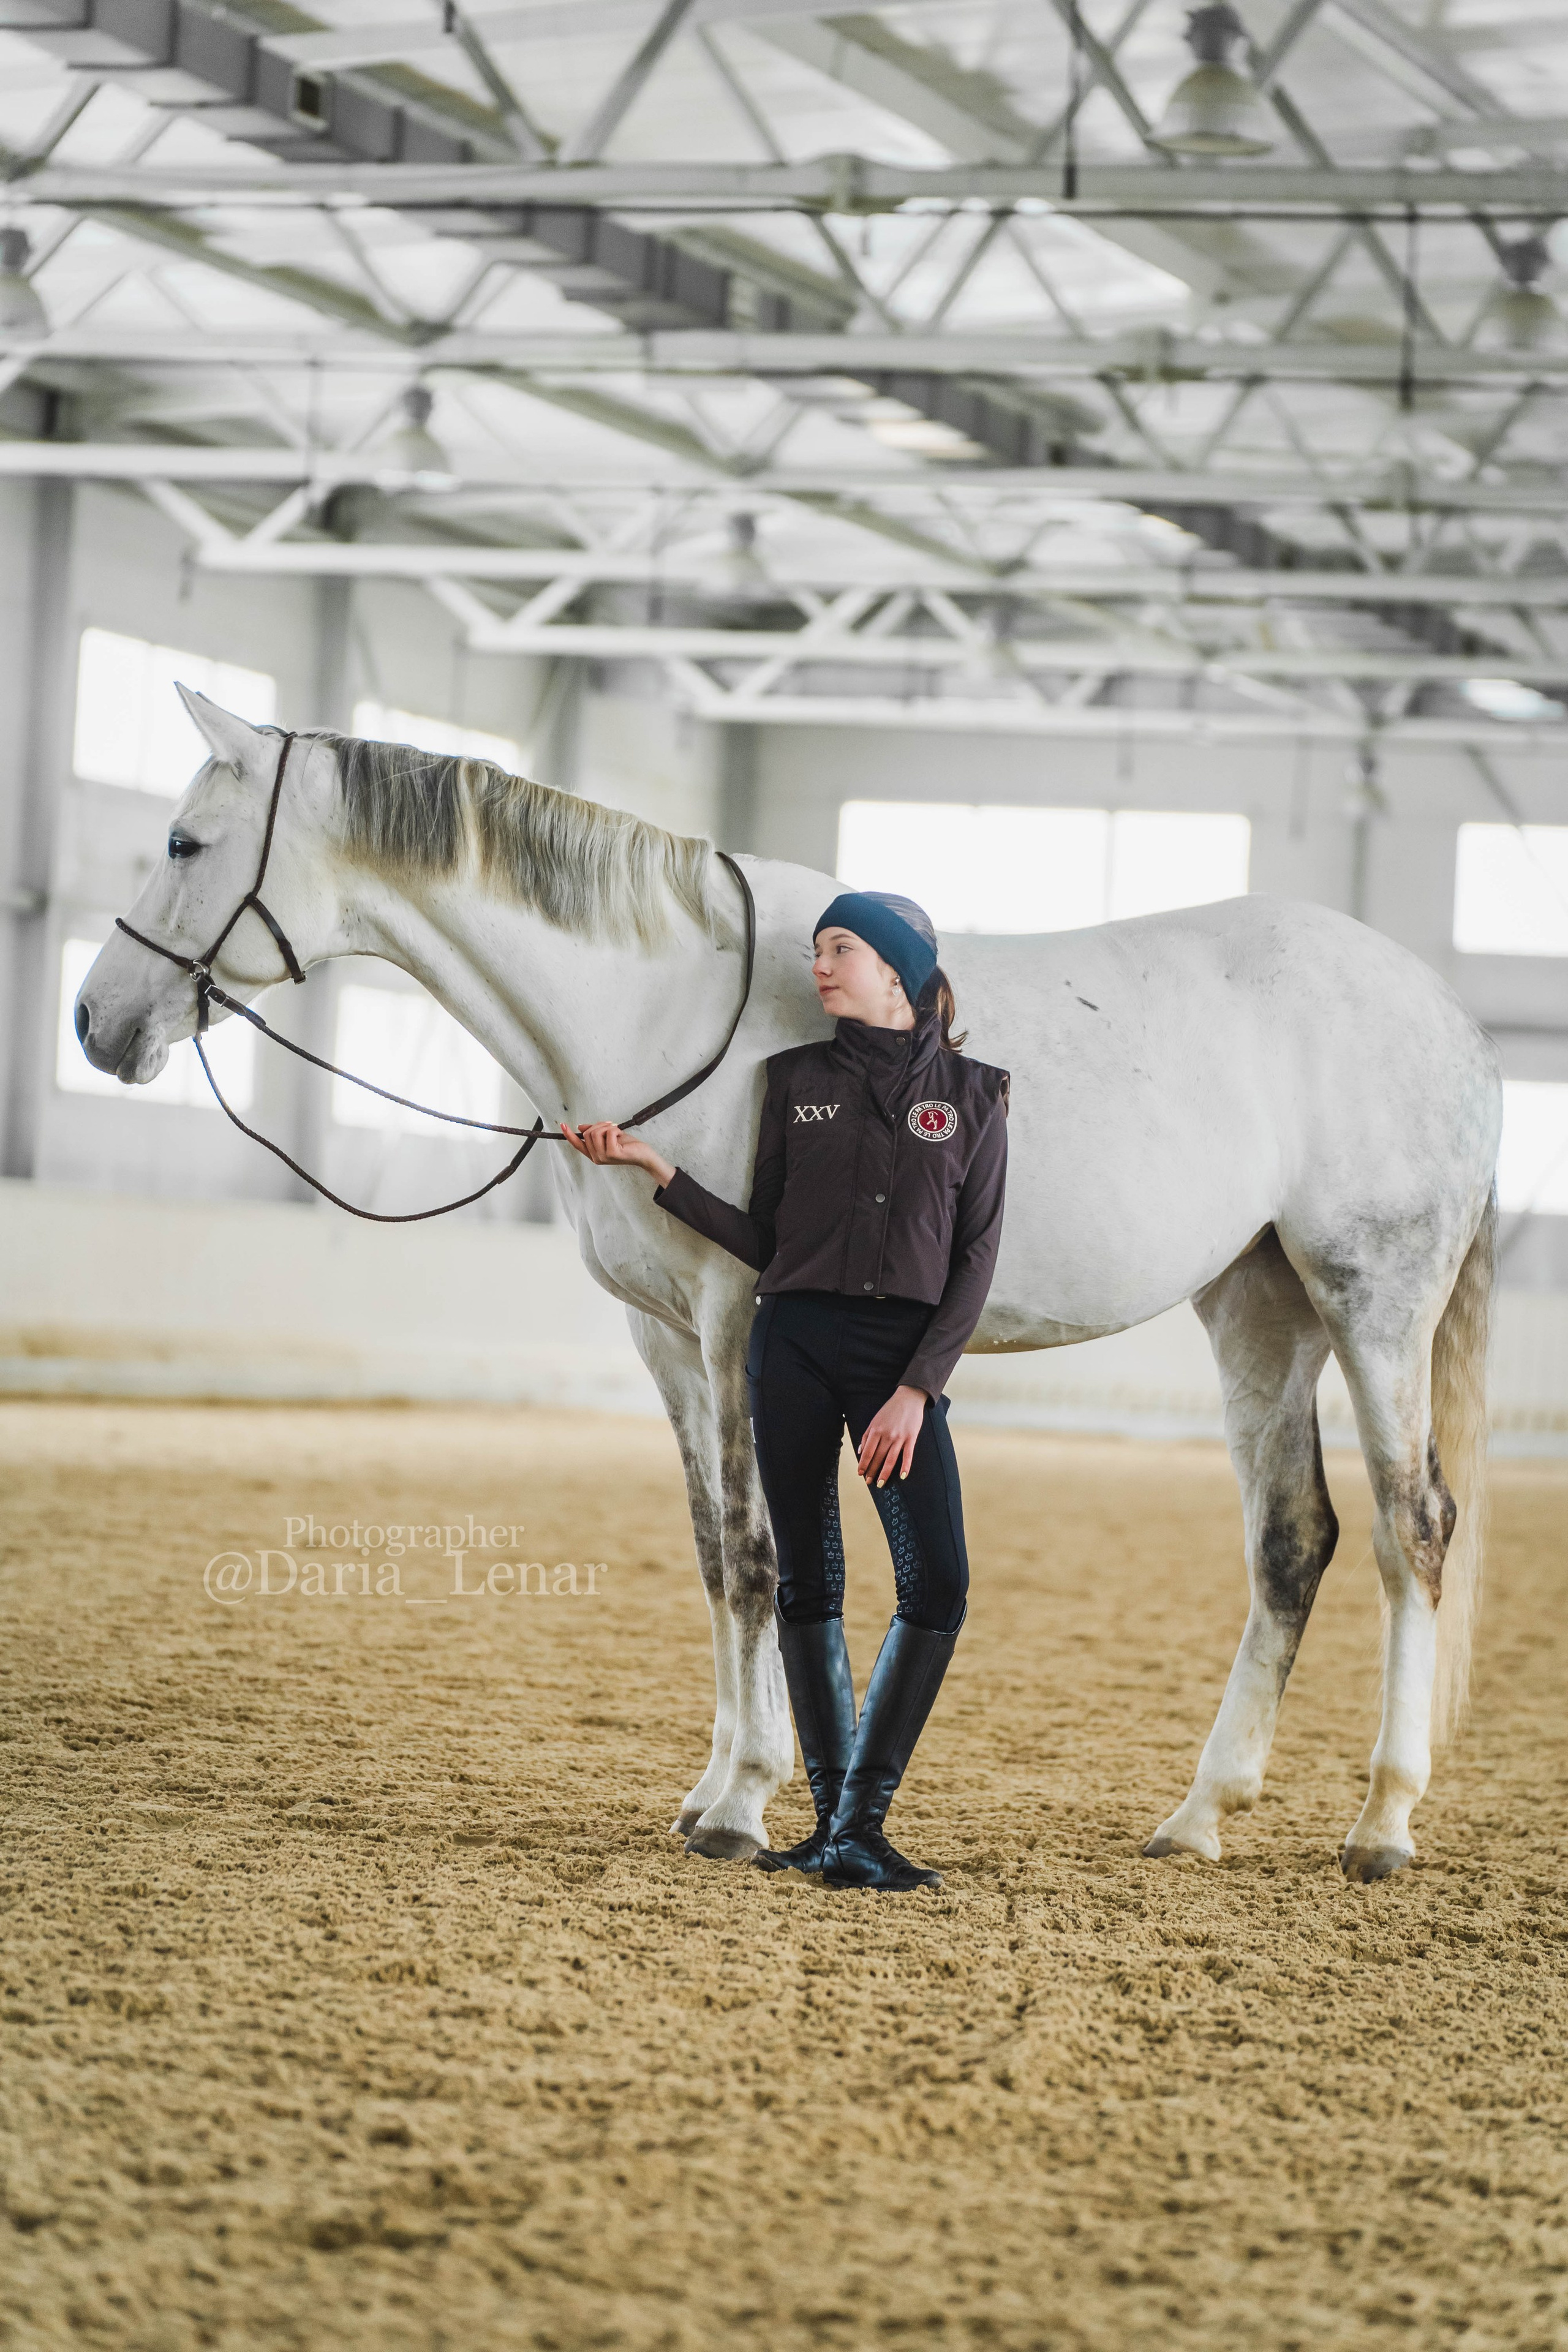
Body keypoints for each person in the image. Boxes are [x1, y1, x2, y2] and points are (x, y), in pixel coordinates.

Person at [563, 890, 1009, 1892]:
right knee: (809, 1585)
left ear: (897, 968)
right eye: (816, 950)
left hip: (897, 1362)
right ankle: (831, 1829)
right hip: (793, 1347)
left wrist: (917, 1390)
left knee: (937, 1584)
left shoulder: (977, 1096)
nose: (821, 964)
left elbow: (977, 1260)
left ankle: (862, 1821)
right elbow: (768, 1242)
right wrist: (654, 1169)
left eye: (840, 948)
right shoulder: (794, 1078)